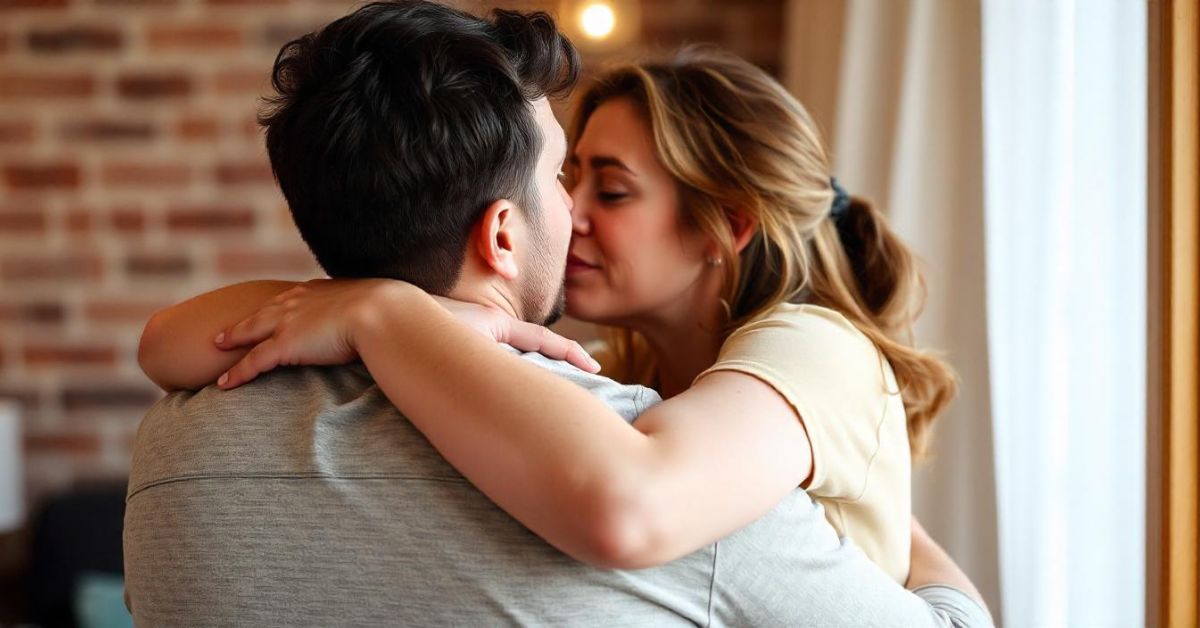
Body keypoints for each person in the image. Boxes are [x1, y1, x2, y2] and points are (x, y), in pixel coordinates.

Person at [129, 1, 992, 625]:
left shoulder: (173, 445)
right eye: (565, 178)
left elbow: (637, 499)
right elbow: (163, 339)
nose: (575, 211)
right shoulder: (604, 419)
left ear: (726, 227)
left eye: (607, 188)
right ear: (504, 235)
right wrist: (374, 311)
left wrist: (382, 312)